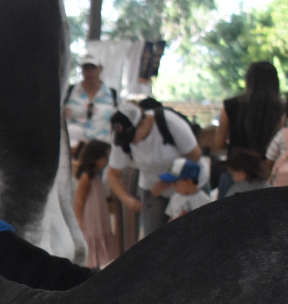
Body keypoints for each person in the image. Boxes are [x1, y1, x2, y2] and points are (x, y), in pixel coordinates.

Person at [106, 100, 202, 239]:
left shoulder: (169, 122)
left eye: (132, 136)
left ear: (143, 123)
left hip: (187, 183)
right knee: (154, 238)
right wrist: (127, 199)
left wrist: (170, 181)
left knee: (192, 234)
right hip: (152, 189)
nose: (130, 142)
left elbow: (195, 156)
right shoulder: (121, 137)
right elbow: (113, 174)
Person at [216, 61, 285, 194]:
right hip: (266, 173)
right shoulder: (281, 110)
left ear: (248, 81)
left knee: (226, 213)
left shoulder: (230, 106)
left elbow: (219, 142)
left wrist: (235, 148)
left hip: (235, 171)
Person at [73, 139, 118, 268]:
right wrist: (79, 221)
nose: (107, 160)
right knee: (92, 245)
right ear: (95, 157)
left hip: (99, 217)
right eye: (105, 156)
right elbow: (79, 201)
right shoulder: (86, 177)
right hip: (90, 218)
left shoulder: (97, 176)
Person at [64, 53, 118, 147]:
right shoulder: (69, 92)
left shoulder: (112, 95)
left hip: (101, 150)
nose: (89, 71)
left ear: (100, 68)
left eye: (93, 67)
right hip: (73, 149)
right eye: (86, 68)